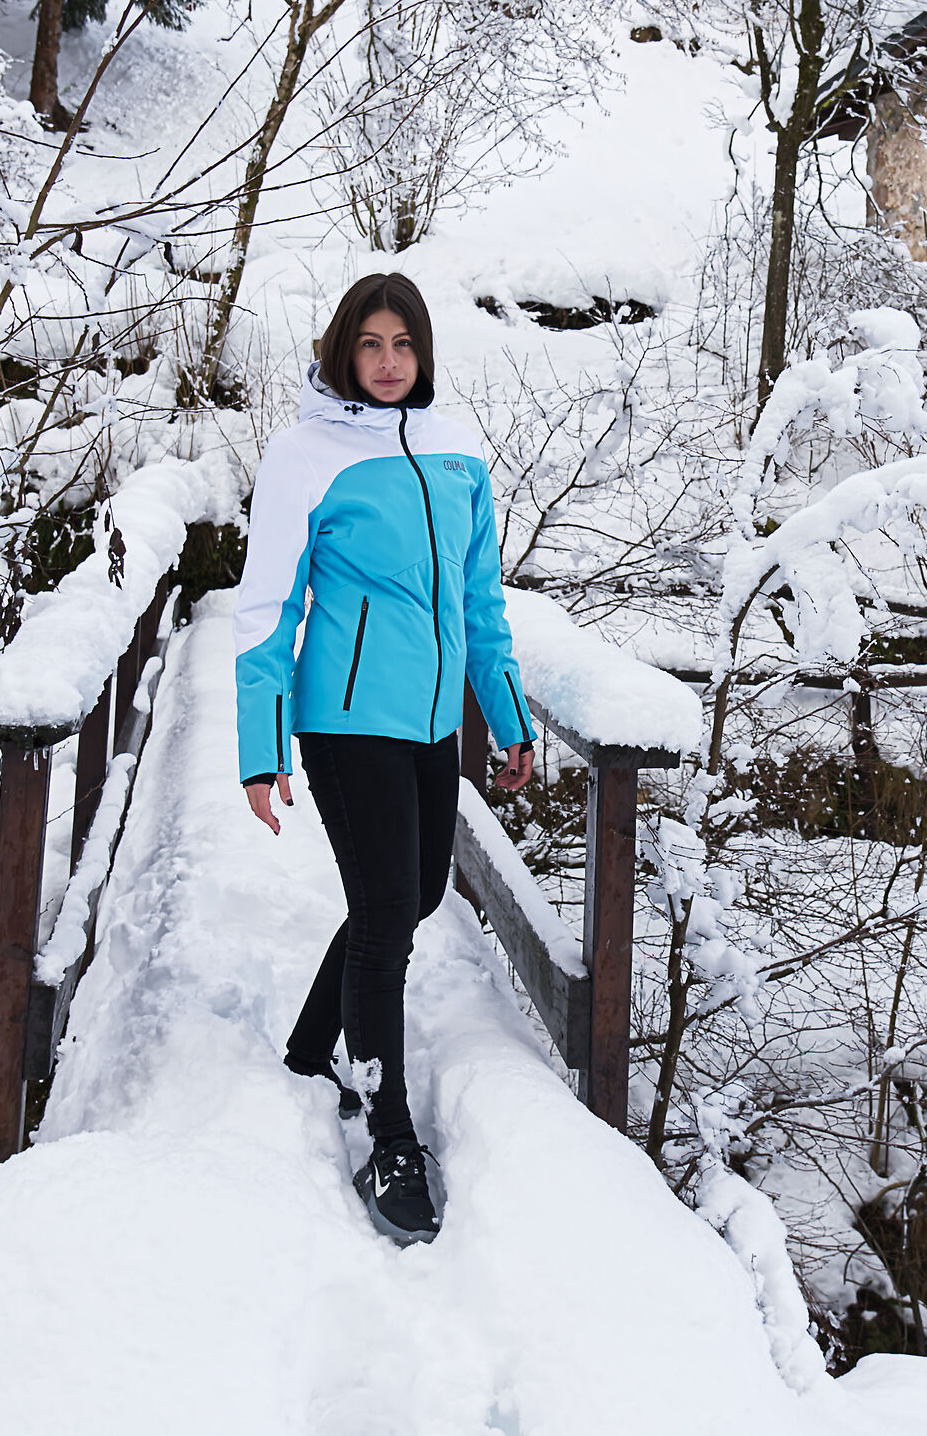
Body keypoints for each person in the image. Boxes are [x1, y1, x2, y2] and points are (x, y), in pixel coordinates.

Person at [232, 272, 535, 1246]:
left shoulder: (457, 454)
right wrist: (261, 743)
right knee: (385, 926)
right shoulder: (306, 454)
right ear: (341, 351)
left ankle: (311, 1047)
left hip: (432, 721)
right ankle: (389, 1132)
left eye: (404, 343)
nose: (389, 361)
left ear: (424, 352)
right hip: (345, 715)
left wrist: (509, 714)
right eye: (371, 343)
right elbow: (266, 605)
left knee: (409, 898)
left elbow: (483, 601)